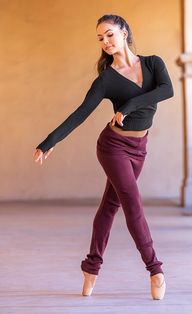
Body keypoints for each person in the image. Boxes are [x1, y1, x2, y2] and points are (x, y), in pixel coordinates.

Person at [33, 14, 174, 300]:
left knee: (109, 208)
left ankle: (90, 268)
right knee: (132, 203)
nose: (105, 42)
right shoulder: (106, 79)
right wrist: (49, 141)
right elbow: (80, 113)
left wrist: (130, 105)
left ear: (124, 32)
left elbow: (166, 90)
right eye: (100, 38)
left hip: (139, 148)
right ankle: (155, 269)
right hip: (113, 147)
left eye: (109, 34)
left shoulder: (153, 63)